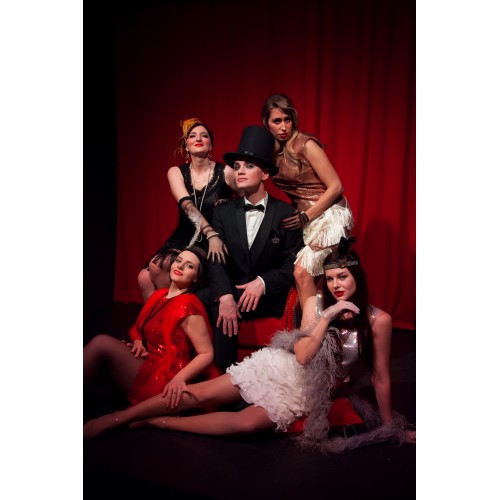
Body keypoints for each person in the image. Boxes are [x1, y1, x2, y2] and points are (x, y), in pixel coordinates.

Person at [83, 238, 415, 453]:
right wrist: (326, 316)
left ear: (358, 278)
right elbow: (302, 355)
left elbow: (381, 376)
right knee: (202, 394)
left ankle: (157, 421)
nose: (336, 285)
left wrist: (390, 428)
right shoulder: (316, 305)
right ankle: (117, 418)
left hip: (306, 390)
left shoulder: (379, 320)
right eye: (330, 278)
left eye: (342, 277)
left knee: (247, 424)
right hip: (282, 366)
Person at [202, 125, 303, 370]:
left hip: (266, 297)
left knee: (216, 303)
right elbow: (215, 260)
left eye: (249, 166)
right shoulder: (223, 212)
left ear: (265, 174)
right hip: (233, 290)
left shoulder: (286, 213)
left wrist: (263, 282)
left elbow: (294, 262)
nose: (240, 171)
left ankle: (226, 377)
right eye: (237, 166)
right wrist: (225, 294)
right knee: (192, 301)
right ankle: (201, 371)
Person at [84, 246, 215, 408]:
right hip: (149, 361)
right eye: (178, 261)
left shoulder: (188, 305)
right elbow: (140, 328)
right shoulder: (160, 296)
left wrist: (180, 378)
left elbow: (206, 353)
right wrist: (139, 343)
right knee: (101, 361)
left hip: (164, 378)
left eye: (189, 266)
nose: (180, 266)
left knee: (101, 343)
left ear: (196, 278)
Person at [261, 94, 354, 310]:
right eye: (277, 121)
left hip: (330, 214)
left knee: (302, 273)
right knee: (316, 280)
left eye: (287, 119)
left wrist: (306, 216)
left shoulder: (306, 144)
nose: (283, 127)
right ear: (267, 123)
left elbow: (336, 186)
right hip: (305, 221)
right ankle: (321, 323)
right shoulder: (270, 153)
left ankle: (310, 329)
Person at [137, 118, 238, 301]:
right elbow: (187, 206)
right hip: (185, 236)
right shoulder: (176, 172)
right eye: (192, 136)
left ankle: (176, 312)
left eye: (204, 136)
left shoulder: (226, 172)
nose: (198, 138)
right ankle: (162, 316)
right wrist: (211, 234)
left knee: (159, 267)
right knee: (143, 278)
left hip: (211, 241)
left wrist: (228, 211)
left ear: (211, 145)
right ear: (186, 146)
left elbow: (246, 199)